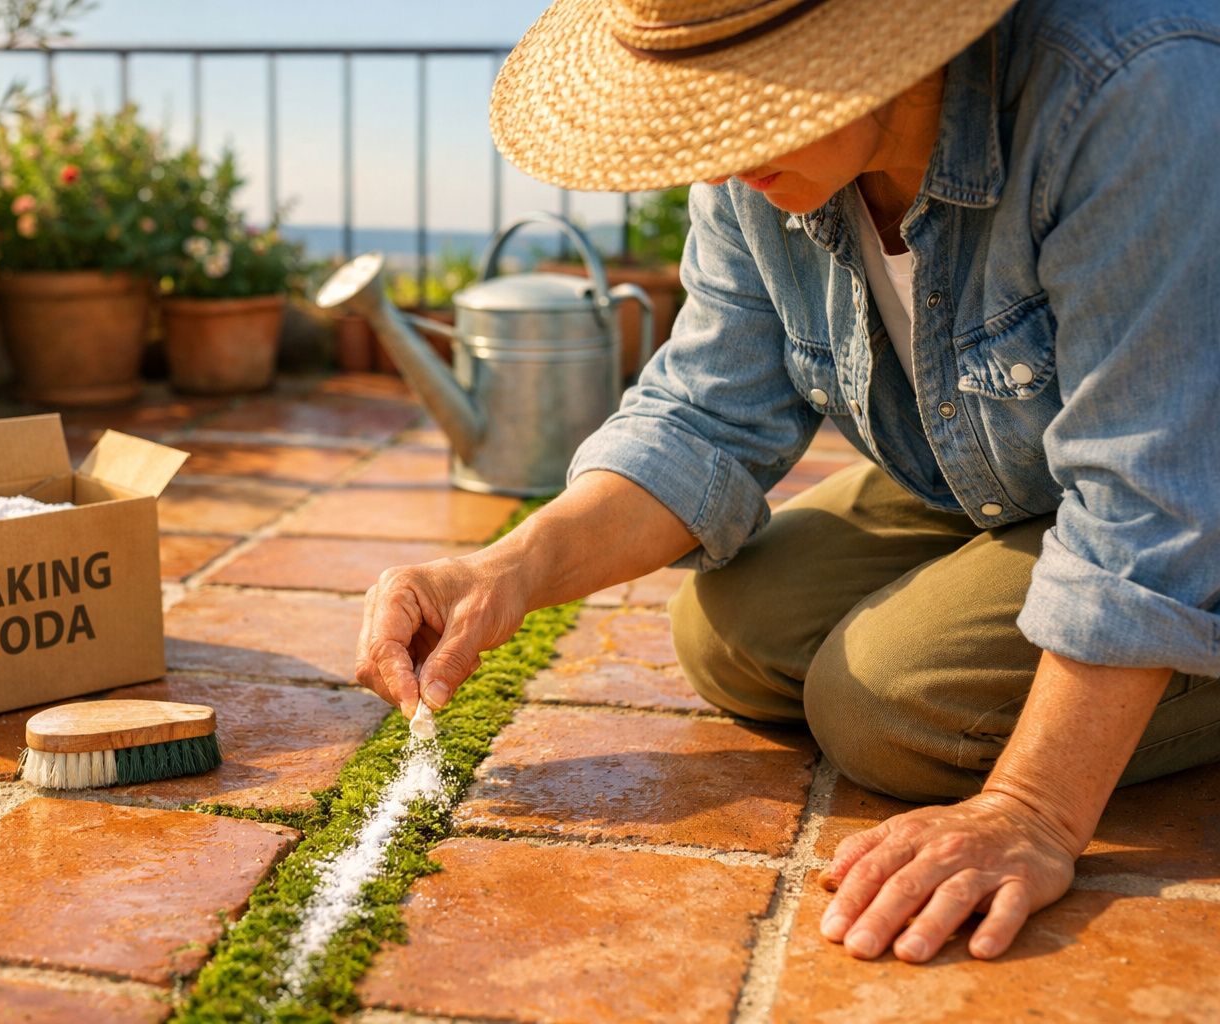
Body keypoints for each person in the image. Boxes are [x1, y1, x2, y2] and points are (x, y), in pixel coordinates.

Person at [354, 0, 1220, 965]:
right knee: (731, 630)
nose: (719, 156)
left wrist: (1032, 809)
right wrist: (506, 569)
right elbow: (705, 409)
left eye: (742, 91)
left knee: (887, 704)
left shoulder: (1129, 84)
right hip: (1006, 468)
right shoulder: (758, 169)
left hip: (1193, 484)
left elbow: (1150, 491)